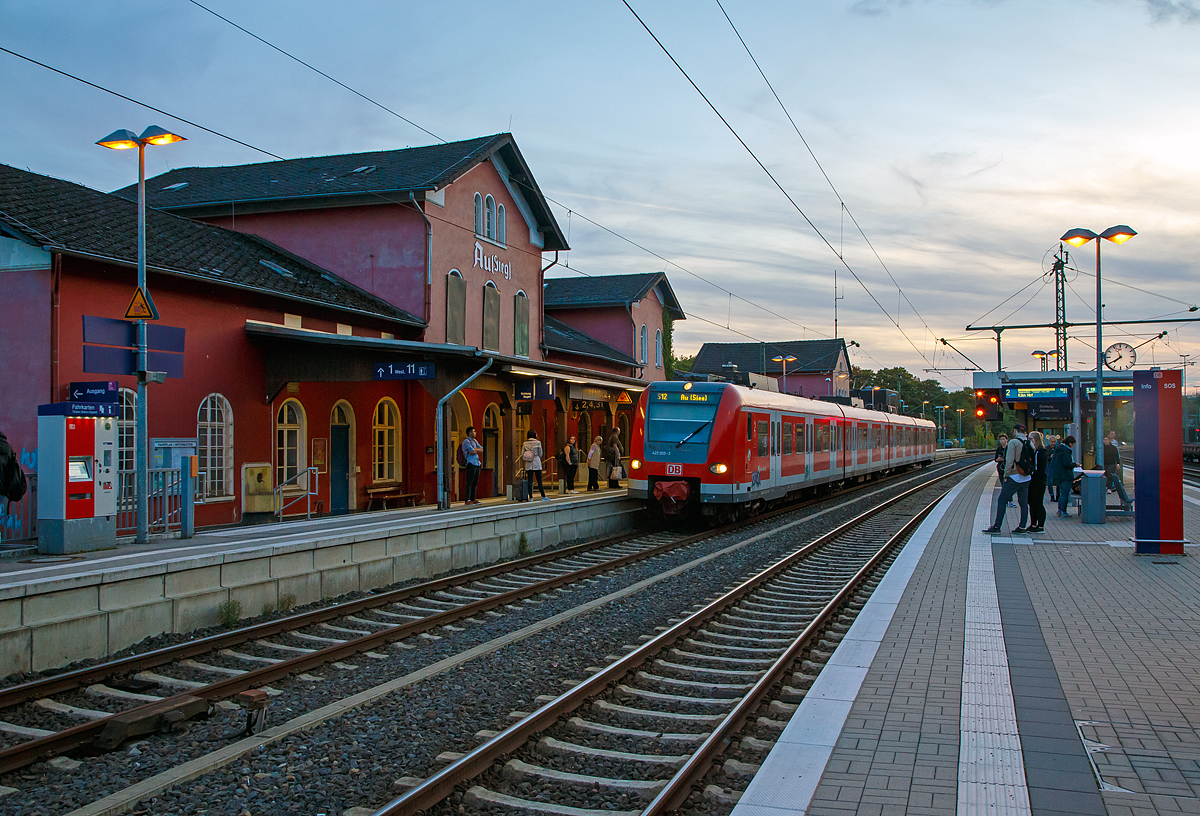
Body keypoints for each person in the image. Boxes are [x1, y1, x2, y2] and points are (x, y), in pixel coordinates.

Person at [983, 424, 1031, 535]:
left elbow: (1009, 461)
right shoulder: (1029, 443)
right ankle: (1022, 526)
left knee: (1002, 500)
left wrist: (1006, 475)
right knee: (1023, 502)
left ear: (1015, 431)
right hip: (1026, 477)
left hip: (1014, 477)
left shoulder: (1013, 443)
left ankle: (997, 526)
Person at [1026, 431, 1048, 533]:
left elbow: (1040, 468)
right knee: (1031, 502)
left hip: (1038, 481)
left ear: (1036, 440)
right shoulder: (1034, 452)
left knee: (1038, 502)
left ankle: (1040, 525)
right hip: (1033, 480)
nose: (1030, 441)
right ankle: (1033, 524)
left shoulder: (1041, 452)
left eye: (1031, 439)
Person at [1049, 434, 1076, 517]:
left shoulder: (1058, 449)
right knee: (1065, 493)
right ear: (1070, 443)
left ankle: (1060, 510)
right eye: (1073, 444)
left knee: (1061, 493)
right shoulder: (1066, 451)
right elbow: (1067, 463)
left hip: (1058, 474)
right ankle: (1064, 511)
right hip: (1066, 475)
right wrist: (1075, 465)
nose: (1073, 446)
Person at [1104, 431, 1131, 508]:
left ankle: (1109, 487)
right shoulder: (1101, 447)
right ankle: (1107, 487)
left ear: (1109, 441)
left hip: (1111, 463)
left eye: (1107, 440)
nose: (1105, 441)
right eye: (1104, 440)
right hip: (1105, 463)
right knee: (1105, 474)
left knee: (1109, 475)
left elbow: (1116, 456)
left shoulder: (1113, 448)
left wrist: (1118, 464)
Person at [521, 430, 547, 501]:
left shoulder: (525, 443)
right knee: (539, 480)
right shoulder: (538, 442)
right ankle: (543, 496)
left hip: (528, 463)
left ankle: (531, 497)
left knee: (530, 480)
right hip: (536, 462)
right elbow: (540, 453)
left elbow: (522, 453)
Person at [460, 426, 483, 506]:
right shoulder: (466, 441)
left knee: (475, 481)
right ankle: (467, 499)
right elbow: (472, 452)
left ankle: (473, 498)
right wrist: (476, 450)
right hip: (470, 463)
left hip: (477, 463)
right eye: (473, 431)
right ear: (470, 433)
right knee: (469, 482)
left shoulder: (475, 441)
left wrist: (475, 449)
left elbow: (481, 449)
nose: (475, 433)